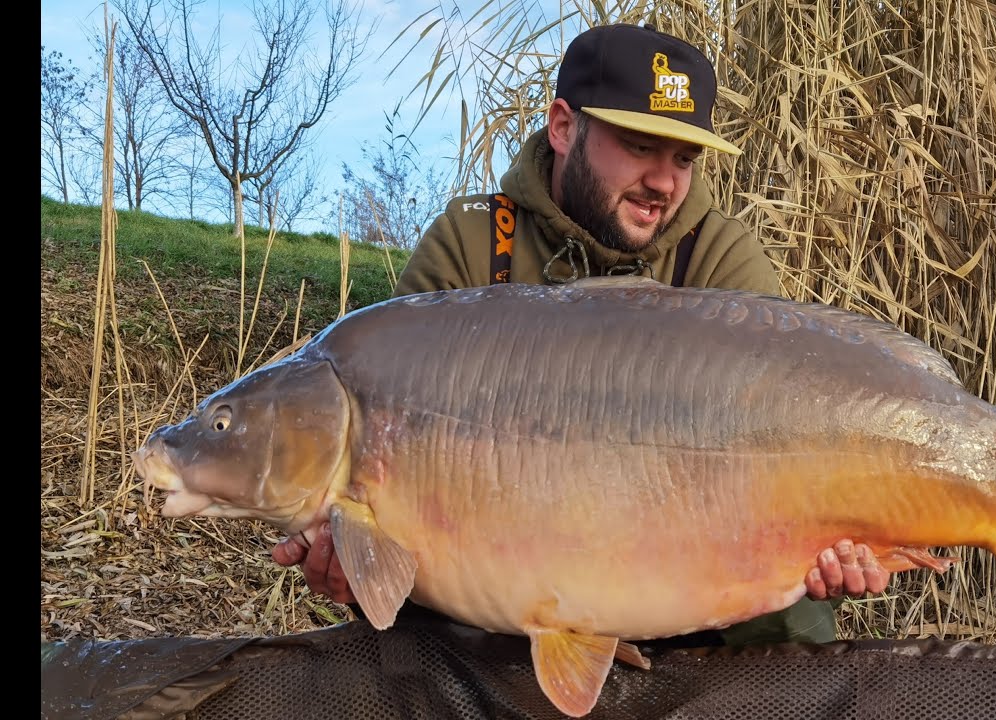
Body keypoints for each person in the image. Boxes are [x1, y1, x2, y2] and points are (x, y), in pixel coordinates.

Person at [273, 22, 890, 648]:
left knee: (792, 616)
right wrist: (354, 552)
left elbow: (787, 428)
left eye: (683, 158)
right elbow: (389, 431)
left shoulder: (719, 259)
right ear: (564, 126)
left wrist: (843, 536)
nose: (664, 182)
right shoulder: (476, 243)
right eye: (639, 145)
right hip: (504, 566)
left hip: (685, 561)